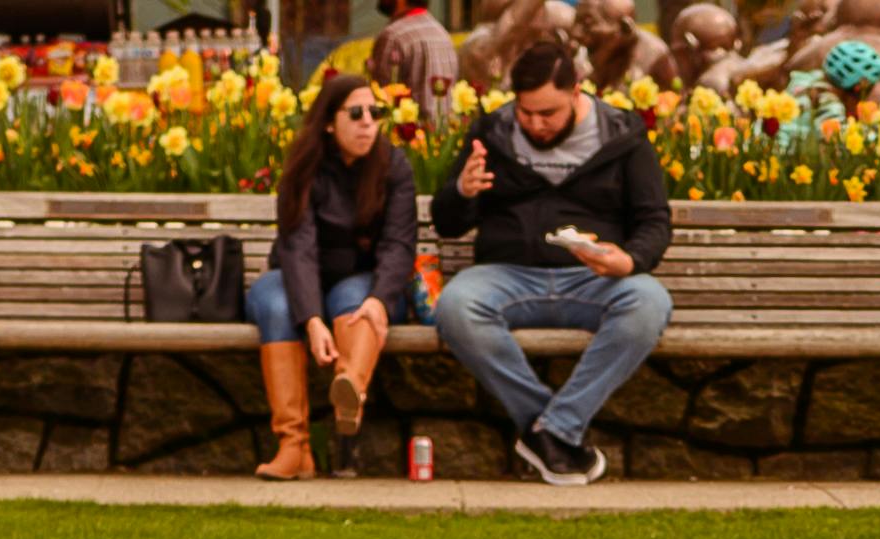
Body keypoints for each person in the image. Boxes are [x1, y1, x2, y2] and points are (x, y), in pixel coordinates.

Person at [432, 39, 676, 486]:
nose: (536, 125)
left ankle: (551, 431)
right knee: (455, 306)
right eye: (526, 113)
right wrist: (462, 193)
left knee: (648, 302)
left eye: (549, 114)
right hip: (507, 276)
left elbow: (654, 221)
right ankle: (556, 432)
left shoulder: (622, 135)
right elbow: (446, 224)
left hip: (593, 278)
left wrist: (630, 260)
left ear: (577, 91)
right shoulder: (492, 132)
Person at [249, 72, 421, 483]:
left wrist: (380, 299)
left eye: (375, 113)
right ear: (329, 121)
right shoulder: (304, 167)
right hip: (296, 275)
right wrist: (311, 319)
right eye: (356, 113)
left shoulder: (393, 166)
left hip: (360, 276)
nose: (367, 122)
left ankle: (349, 389)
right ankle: (294, 446)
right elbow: (298, 247)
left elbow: (399, 244)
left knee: (359, 304)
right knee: (274, 302)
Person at [368, 0, 463, 120]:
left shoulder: (393, 36)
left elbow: (381, 99)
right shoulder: (442, 33)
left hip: (409, 134)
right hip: (443, 133)